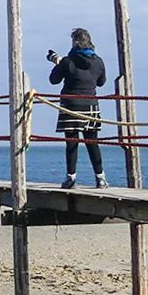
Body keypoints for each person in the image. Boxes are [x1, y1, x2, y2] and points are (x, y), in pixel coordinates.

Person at [48, 28, 108, 189]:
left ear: (75, 42)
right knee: (92, 142)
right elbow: (101, 82)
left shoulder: (68, 61)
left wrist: (58, 63)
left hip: (71, 105)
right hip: (90, 105)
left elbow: (53, 80)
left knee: (72, 143)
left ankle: (71, 178)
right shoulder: (99, 61)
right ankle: (100, 178)